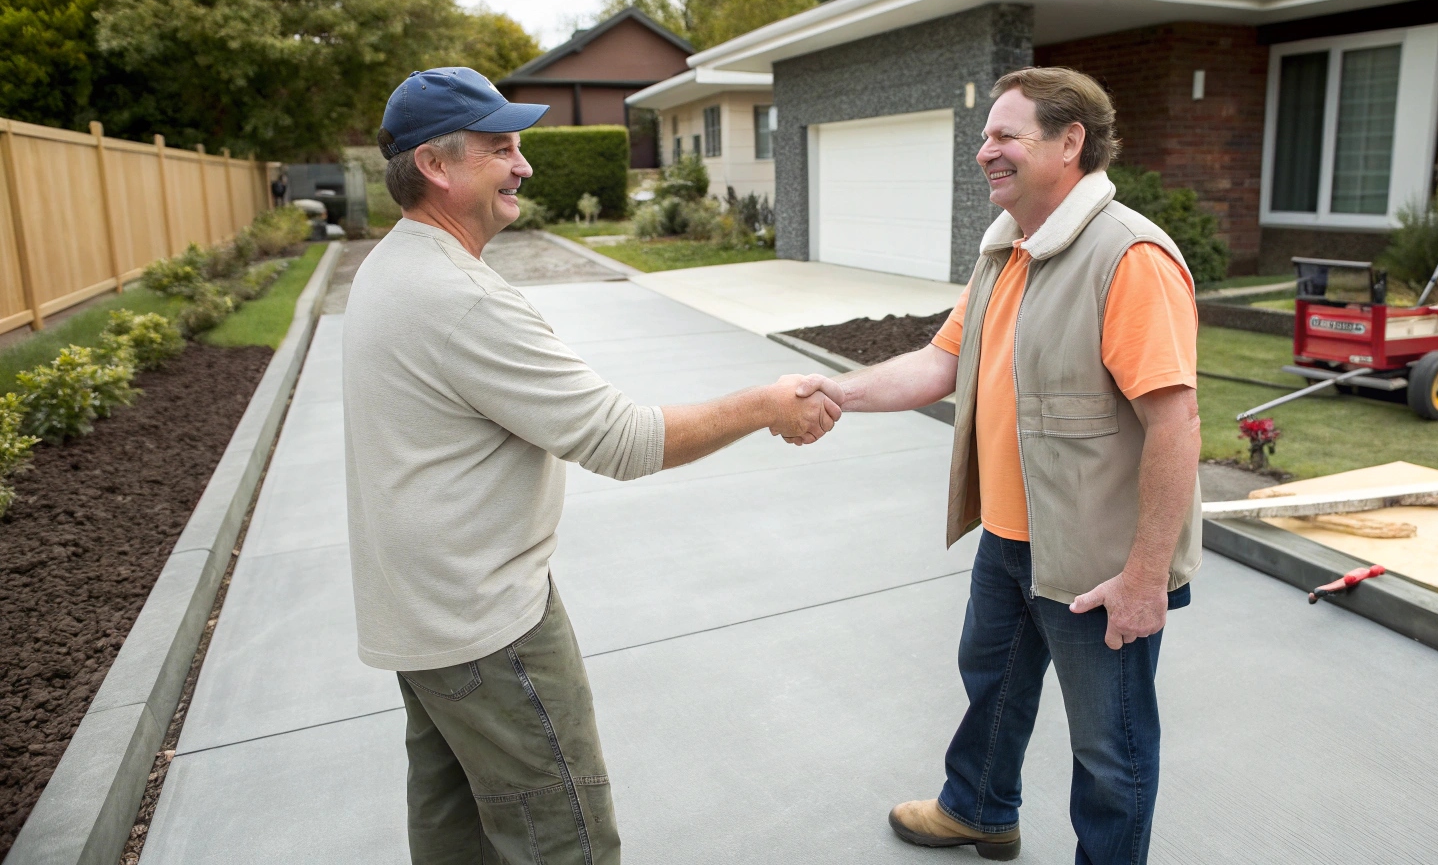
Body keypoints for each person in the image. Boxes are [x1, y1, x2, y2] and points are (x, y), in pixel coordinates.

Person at [342, 67, 843, 865]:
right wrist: (764, 404)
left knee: (455, 836)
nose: (523, 164)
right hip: (486, 628)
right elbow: (623, 440)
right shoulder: (461, 299)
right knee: (565, 839)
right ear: (434, 165)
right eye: (500, 148)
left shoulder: (390, 267)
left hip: (422, 619)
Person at [830, 67, 1202, 863]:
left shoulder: (1128, 256)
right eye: (984, 136)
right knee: (991, 687)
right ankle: (979, 810)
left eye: (1005, 135)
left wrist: (1145, 579)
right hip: (1010, 537)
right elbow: (941, 362)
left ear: (1070, 143)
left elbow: (1175, 426)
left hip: (1096, 561)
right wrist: (834, 394)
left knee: (1110, 747)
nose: (984, 151)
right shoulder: (1008, 249)